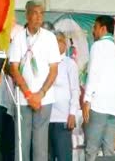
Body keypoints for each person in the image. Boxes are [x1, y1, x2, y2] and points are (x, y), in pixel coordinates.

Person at [9, 0, 60, 161]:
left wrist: (40, 94)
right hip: (24, 99)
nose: (38, 17)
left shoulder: (50, 37)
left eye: (41, 13)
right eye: (35, 13)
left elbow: (54, 70)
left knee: (40, 146)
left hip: (44, 100)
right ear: (27, 15)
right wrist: (28, 94)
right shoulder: (18, 37)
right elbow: (14, 68)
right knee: (21, 143)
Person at [82, 15, 115, 161]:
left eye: (95, 27)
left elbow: (93, 74)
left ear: (103, 29)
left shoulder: (98, 46)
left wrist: (87, 99)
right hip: (114, 108)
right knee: (109, 150)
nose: (93, 31)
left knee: (91, 149)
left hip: (99, 106)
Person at [48, 31, 80, 161]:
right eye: (55, 41)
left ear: (65, 45)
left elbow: (75, 90)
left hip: (63, 119)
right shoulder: (45, 63)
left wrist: (72, 113)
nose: (57, 44)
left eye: (60, 41)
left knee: (63, 157)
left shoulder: (69, 64)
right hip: (45, 118)